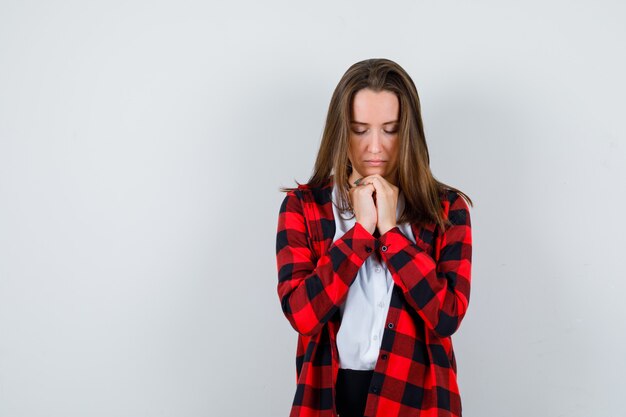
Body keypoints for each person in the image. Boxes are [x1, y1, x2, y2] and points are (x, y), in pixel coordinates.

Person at [275, 58, 473, 417]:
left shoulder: (446, 209)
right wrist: (361, 232)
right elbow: (302, 314)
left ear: (408, 131)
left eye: (391, 129)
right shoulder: (303, 208)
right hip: (329, 399)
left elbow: (447, 316)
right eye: (360, 129)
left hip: (418, 401)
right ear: (341, 130)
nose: (376, 147)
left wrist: (392, 234)